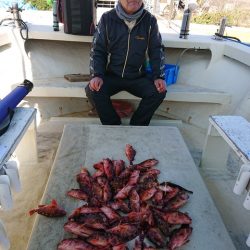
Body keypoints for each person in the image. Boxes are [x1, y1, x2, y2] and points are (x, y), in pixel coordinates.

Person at [85, 0, 167, 126]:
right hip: (113, 75)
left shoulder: (150, 21)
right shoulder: (107, 19)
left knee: (158, 92)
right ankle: (113, 125)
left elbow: (156, 50)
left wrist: (158, 76)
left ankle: (137, 126)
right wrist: (97, 75)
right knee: (93, 90)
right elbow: (98, 50)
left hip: (138, 77)